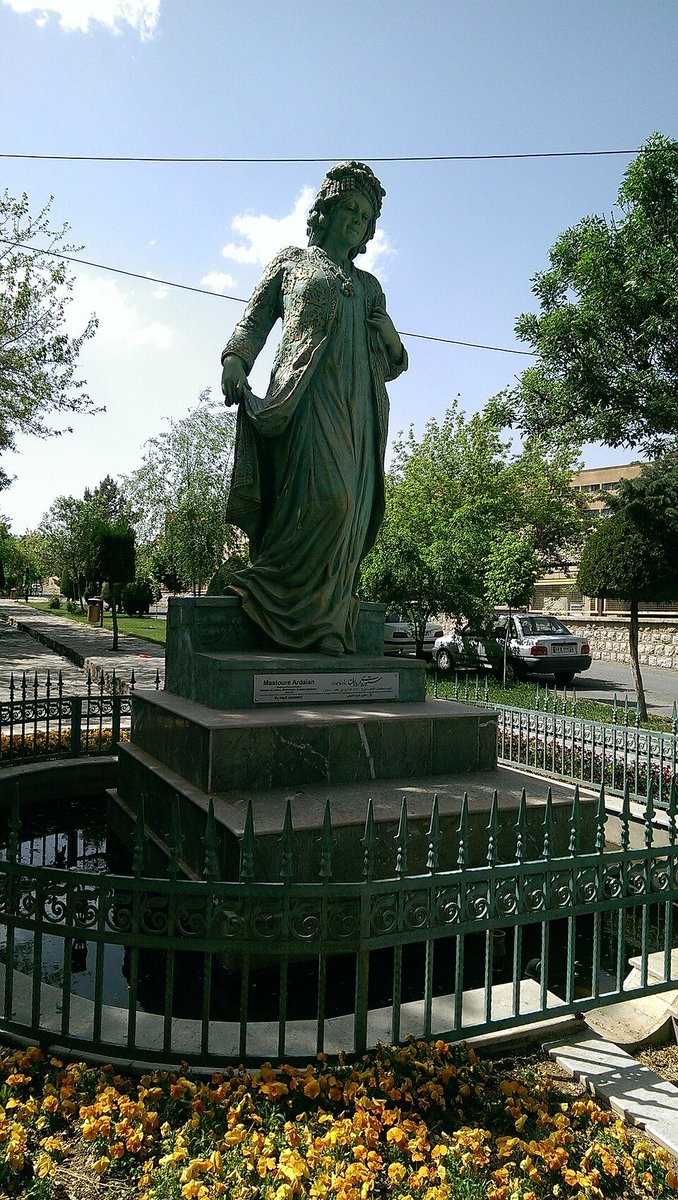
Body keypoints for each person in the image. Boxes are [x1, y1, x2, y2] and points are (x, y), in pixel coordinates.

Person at [220, 161, 407, 655]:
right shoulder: (291, 263)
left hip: (359, 407)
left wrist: (388, 334)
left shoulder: (369, 287)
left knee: (351, 511)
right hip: (304, 397)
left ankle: (327, 621)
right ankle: (275, 597)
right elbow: (255, 320)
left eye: (365, 216)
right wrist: (236, 360)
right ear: (326, 210)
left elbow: (394, 362)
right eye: (349, 207)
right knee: (328, 501)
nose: (356, 220)